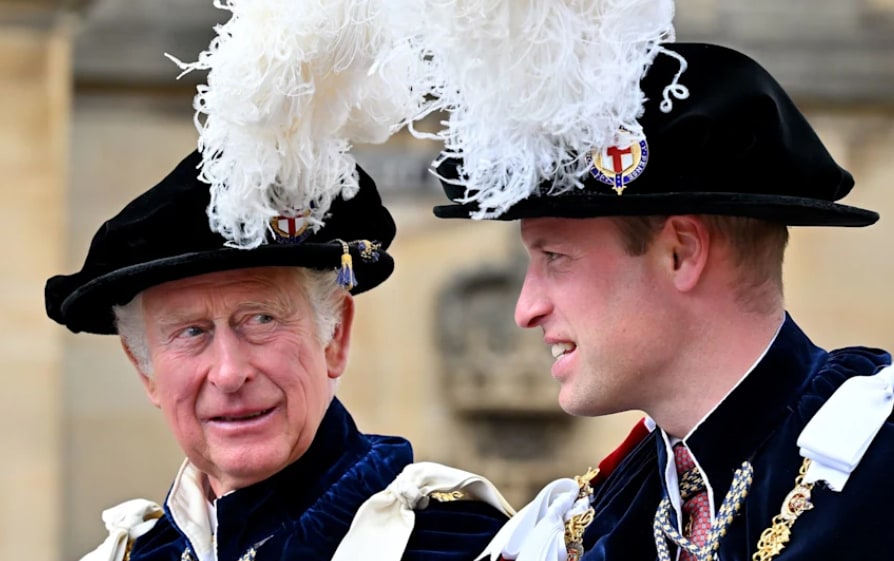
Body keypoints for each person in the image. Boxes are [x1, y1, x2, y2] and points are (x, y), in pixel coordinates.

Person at [430, 42, 894, 560]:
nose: (525, 310)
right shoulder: (610, 512)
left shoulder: (874, 477)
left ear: (680, 253)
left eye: (555, 257)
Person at [45, 151, 509, 561]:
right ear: (144, 368)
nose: (229, 373)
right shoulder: (129, 553)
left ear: (334, 337)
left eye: (260, 319)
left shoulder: (457, 544)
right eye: (191, 332)